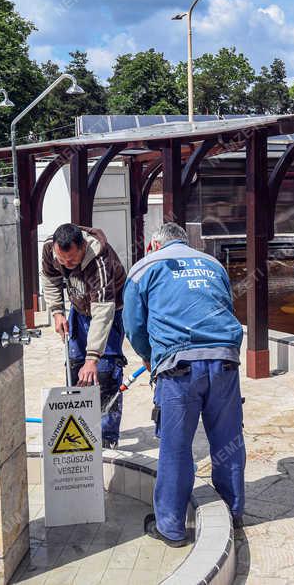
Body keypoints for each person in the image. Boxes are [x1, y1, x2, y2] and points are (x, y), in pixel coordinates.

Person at [123, 222, 245, 547]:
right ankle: (233, 510)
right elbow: (225, 307)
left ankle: (172, 527)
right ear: (186, 241)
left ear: (153, 244)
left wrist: (151, 360)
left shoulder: (144, 267)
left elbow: (133, 326)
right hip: (224, 361)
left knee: (176, 447)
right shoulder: (213, 264)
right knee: (228, 439)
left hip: (178, 369)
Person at [40, 223, 127, 449]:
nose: (67, 265)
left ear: (83, 247)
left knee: (104, 371)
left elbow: (102, 313)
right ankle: (82, 427)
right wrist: (57, 311)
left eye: (72, 260)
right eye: (63, 260)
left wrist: (93, 358)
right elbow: (50, 279)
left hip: (110, 311)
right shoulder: (50, 249)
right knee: (75, 367)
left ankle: (107, 437)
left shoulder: (100, 262)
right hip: (79, 309)